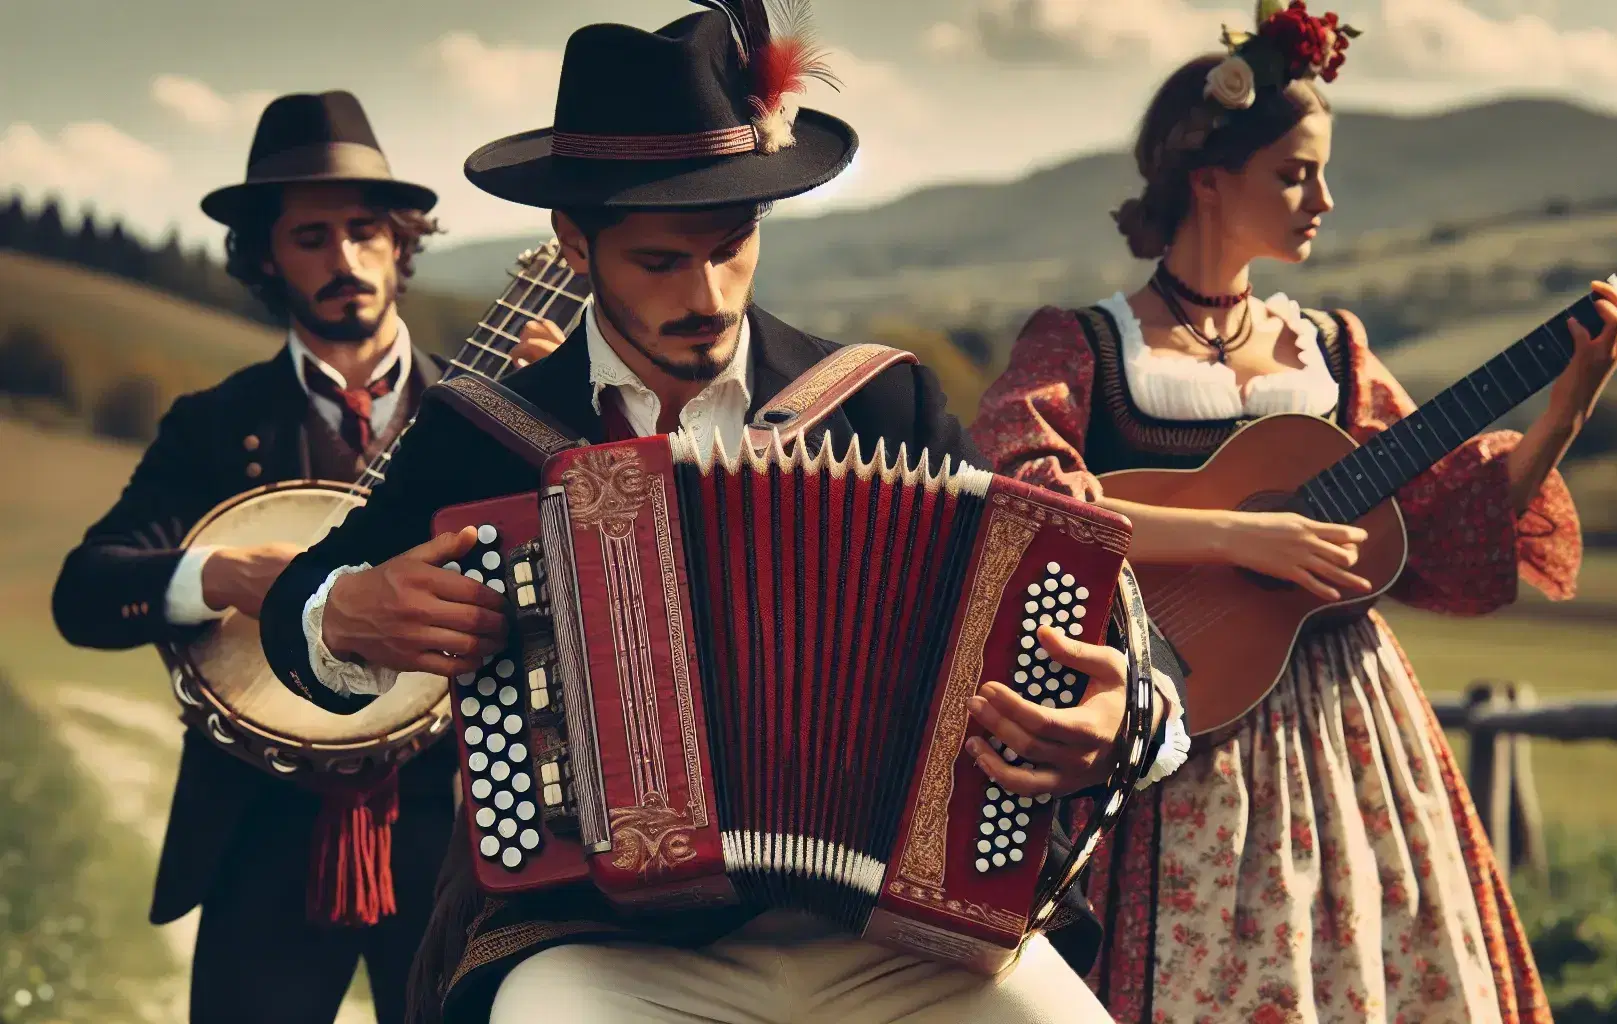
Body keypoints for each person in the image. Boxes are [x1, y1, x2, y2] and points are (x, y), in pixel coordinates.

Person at [255, 7, 1189, 1024]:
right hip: (605, 942)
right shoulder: (488, 431)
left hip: (895, 932)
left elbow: (1118, 631)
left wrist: (1121, 719)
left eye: (732, 245)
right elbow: (301, 608)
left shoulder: (878, 401)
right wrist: (343, 612)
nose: (706, 293)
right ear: (575, 241)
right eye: (660, 260)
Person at [967, 5, 1617, 1023]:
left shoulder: (1329, 349)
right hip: (1165, 716)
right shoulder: (1085, 347)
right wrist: (1239, 534)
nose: (1322, 198)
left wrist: (1566, 409)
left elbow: (1441, 524)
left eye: (1320, 174)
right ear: (1207, 179)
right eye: (1294, 173)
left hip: (1346, 727)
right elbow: (1024, 502)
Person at [49, 91, 551, 1024]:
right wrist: (226, 575)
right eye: (311, 237)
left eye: (365, 231)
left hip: (465, 826)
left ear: (402, 244)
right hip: (264, 834)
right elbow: (83, 594)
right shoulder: (214, 429)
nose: (345, 260)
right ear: (267, 257)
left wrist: (561, 422)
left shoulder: (495, 404)